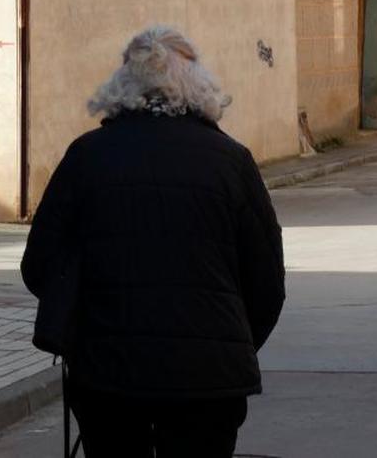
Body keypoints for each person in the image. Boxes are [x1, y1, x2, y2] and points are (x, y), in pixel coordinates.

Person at [21, 26, 285, 458]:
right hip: (207, 380)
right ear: (197, 83)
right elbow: (267, 283)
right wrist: (226, 341)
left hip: (108, 376)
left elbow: (40, 267)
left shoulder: (87, 157)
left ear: (123, 84)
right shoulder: (232, 162)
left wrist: (86, 328)